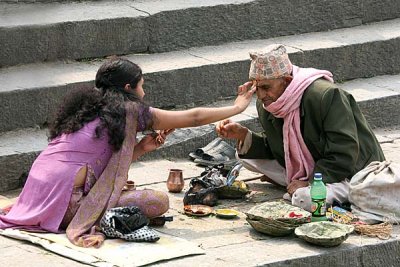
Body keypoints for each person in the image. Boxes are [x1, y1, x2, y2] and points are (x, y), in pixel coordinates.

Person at [0, 57, 255, 247]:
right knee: (158, 201)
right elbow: (194, 117)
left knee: (129, 195)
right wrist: (237, 108)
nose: (144, 93)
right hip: (63, 203)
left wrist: (143, 147)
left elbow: (99, 163)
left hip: (35, 195)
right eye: (142, 86)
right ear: (128, 87)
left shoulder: (88, 107)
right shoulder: (129, 110)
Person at [216, 44, 385, 211]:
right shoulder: (268, 103)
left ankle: (311, 186)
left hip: (352, 173)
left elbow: (344, 153)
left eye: (266, 88)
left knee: (304, 198)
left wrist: (310, 181)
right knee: (244, 157)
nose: (260, 96)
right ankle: (295, 182)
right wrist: (243, 135)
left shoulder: (326, 96)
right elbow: (279, 146)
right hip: (314, 163)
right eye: (256, 88)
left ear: (287, 81)